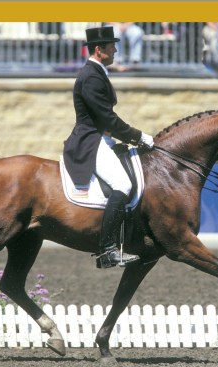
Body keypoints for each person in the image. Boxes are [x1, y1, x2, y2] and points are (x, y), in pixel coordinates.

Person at [63, 26, 154, 269]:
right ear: (98, 50)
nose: (115, 50)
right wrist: (138, 136)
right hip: (91, 141)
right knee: (123, 185)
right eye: (111, 46)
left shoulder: (98, 72)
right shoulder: (92, 76)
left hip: (103, 138)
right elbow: (107, 118)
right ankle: (107, 250)